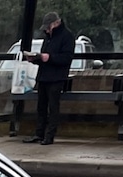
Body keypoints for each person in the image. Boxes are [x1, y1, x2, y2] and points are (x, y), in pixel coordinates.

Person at [22, 12, 74, 145]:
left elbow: (66, 58)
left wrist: (49, 57)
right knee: (41, 107)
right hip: (43, 76)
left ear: (56, 23)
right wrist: (35, 59)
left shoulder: (67, 36)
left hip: (56, 78)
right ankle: (39, 133)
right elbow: (44, 57)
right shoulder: (48, 37)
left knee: (53, 107)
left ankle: (50, 135)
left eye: (48, 27)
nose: (46, 30)